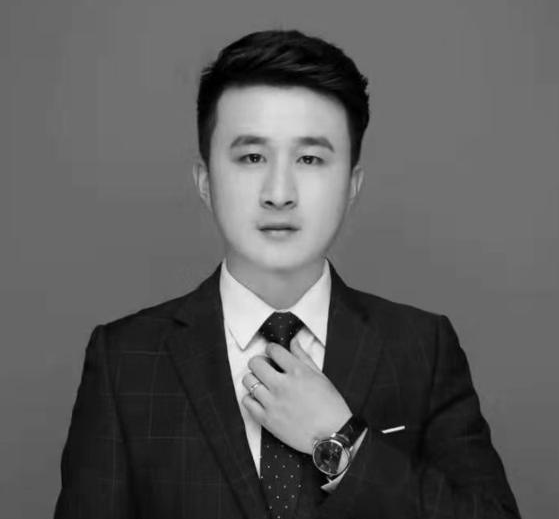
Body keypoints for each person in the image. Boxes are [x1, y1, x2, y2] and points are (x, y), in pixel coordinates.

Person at [54, 29, 521, 519]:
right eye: (252, 157)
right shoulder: (125, 360)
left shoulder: (421, 349)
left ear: (352, 185)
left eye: (310, 159)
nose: (279, 193)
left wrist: (343, 442)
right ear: (205, 182)